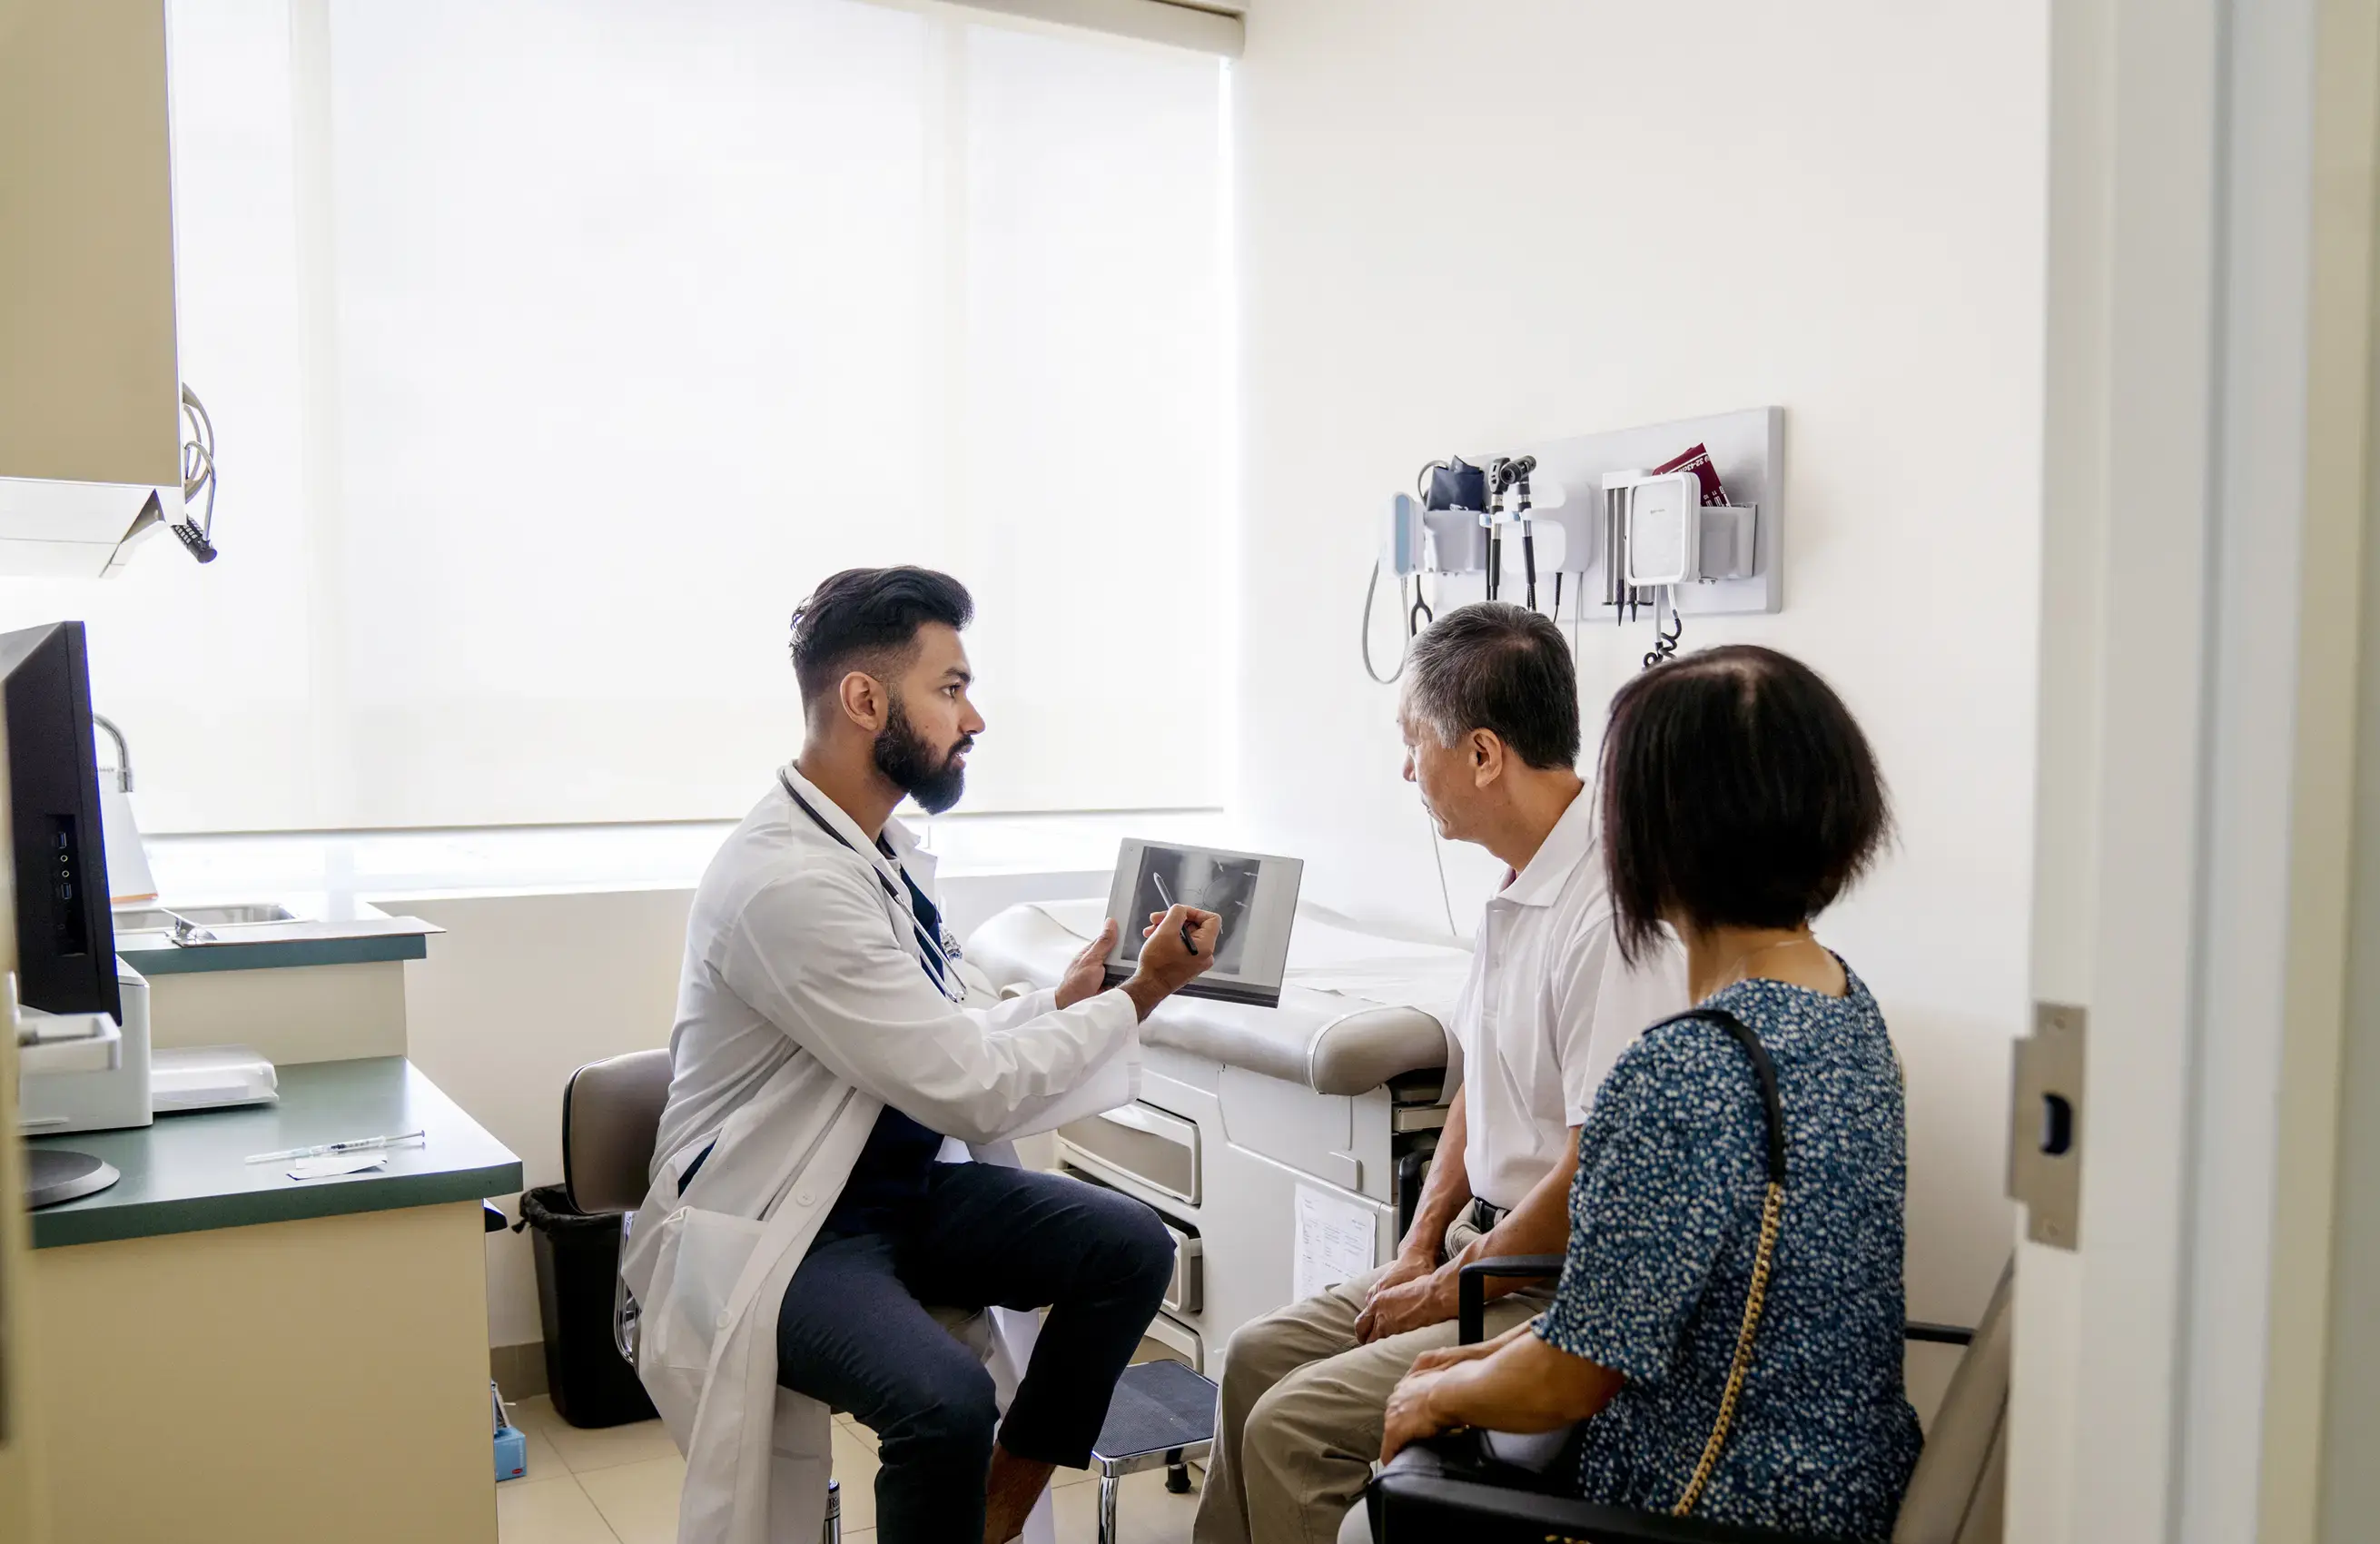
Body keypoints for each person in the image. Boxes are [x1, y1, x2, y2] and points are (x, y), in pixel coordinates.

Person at [618, 567, 1222, 1544]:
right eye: (949, 688)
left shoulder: (869, 850)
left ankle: (992, 1513)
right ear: (865, 700)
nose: (973, 718)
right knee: (942, 1401)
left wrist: (1063, 1003)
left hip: (886, 1192)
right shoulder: (789, 882)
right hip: (784, 1226)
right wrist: (1142, 993)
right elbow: (970, 1088)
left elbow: (935, 1036)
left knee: (1128, 1246)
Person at [1375, 644, 1923, 1542]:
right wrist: (1476, 1357)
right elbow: (1633, 1309)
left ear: (1654, 837)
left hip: (1696, 1504)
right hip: (1847, 1491)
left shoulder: (1682, 1069)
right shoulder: (1844, 1007)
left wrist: (1434, 1392)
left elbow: (1570, 1376)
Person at [1194, 602, 1688, 1544]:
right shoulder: (1518, 881)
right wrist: (1421, 1244)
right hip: (1474, 1247)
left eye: (1411, 740)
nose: (1405, 768)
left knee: (1292, 1427)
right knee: (1253, 1356)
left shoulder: (1611, 916)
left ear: (1483, 754)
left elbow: (1593, 1174)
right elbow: (1475, 1090)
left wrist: (1447, 1284)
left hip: (1548, 1279)